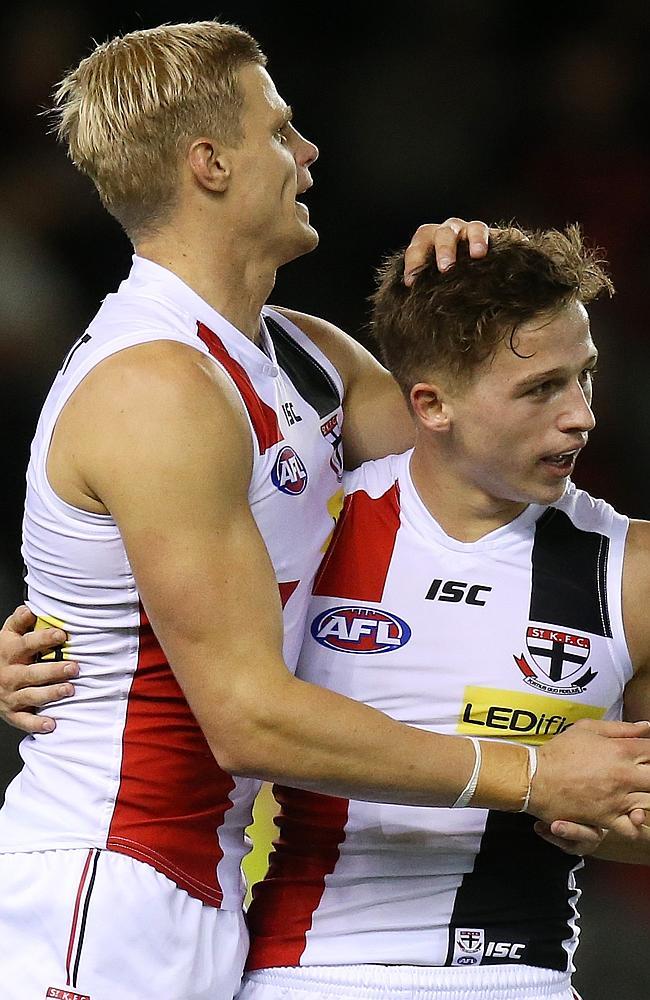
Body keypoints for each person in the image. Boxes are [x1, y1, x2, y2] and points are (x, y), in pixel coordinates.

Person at [0, 20, 649, 1000]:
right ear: (208, 164)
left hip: (209, 891)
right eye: (279, 130)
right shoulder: (156, 388)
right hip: (107, 881)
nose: (306, 154)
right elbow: (249, 719)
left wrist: (469, 292)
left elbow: (465, 442)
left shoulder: (298, 353)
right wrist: (531, 775)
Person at [237, 225, 650, 1000]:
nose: (582, 417)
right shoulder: (308, 527)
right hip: (308, 974)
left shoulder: (634, 570)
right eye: (541, 389)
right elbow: (166, 670)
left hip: (519, 979)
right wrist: (42, 651)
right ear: (431, 404)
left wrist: (611, 819)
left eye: (584, 378)